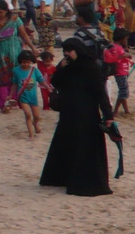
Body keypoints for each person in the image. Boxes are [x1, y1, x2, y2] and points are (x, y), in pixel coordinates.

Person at [38, 17, 116, 196]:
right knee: (66, 146)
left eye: (70, 51)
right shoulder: (67, 67)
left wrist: (108, 115)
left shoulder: (91, 68)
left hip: (86, 115)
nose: (67, 54)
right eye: (65, 51)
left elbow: (100, 93)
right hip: (68, 114)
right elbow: (56, 83)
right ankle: (61, 178)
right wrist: (60, 68)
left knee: (84, 147)